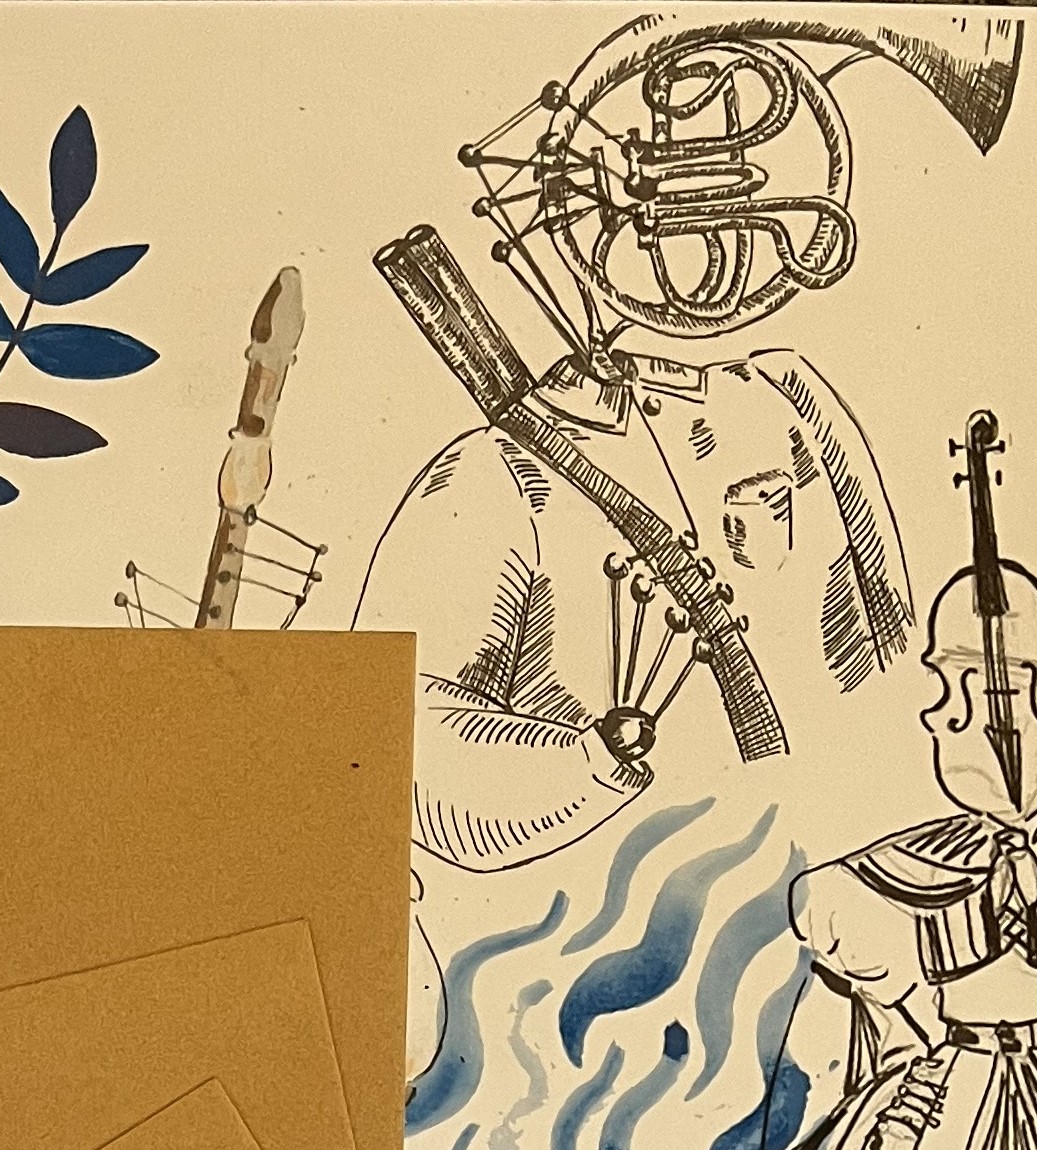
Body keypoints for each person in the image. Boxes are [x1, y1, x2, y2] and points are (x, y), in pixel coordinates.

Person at [358, 13, 1020, 877]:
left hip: (856, 867)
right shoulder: (485, 477)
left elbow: (895, 649)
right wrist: (590, 762)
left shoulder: (788, 393)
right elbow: (396, 744)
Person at [763, 415, 1037, 1150]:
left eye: (971, 691)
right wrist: (917, 1016)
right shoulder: (931, 864)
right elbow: (833, 917)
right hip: (955, 1126)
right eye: (941, 687)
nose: (939, 714)